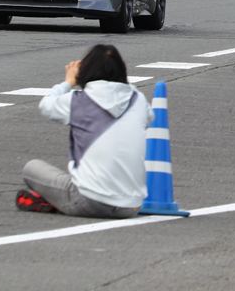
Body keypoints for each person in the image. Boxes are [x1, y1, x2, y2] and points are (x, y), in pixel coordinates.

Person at [16, 45, 153, 218]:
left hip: (90, 202)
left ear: (86, 71)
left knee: (31, 168)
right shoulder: (137, 100)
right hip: (131, 207)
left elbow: (46, 105)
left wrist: (68, 82)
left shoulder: (78, 101)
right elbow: (149, 117)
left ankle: (56, 200)